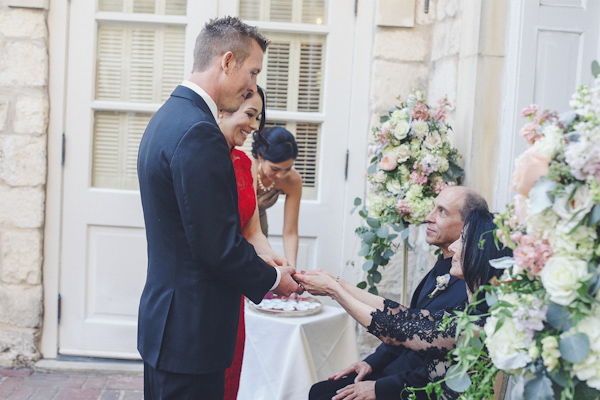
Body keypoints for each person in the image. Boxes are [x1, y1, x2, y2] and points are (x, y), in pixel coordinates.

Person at [137, 17, 302, 400]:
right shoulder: (199, 132)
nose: (253, 87)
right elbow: (217, 247)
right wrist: (275, 281)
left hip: (169, 326)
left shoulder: (168, 116)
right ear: (227, 62)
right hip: (190, 334)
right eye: (253, 72)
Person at [295, 206, 513, 400]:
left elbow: (394, 330)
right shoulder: (470, 311)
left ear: (481, 253)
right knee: (319, 392)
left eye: (462, 240)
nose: (454, 248)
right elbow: (404, 317)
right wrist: (339, 283)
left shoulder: (477, 325)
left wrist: (334, 291)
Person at [218, 86, 287, 399]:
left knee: (231, 378)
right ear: (223, 108)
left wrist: (279, 263)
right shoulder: (206, 163)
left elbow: (253, 233)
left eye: (258, 118)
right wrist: (272, 278)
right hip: (212, 291)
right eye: (249, 114)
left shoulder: (244, 165)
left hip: (235, 298)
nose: (254, 126)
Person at [251, 126, 303, 267]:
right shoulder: (244, 168)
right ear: (260, 156)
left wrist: (291, 268)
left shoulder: (292, 180)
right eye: (275, 169)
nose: (280, 175)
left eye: (287, 169)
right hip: (233, 228)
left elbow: (290, 232)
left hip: (260, 230)